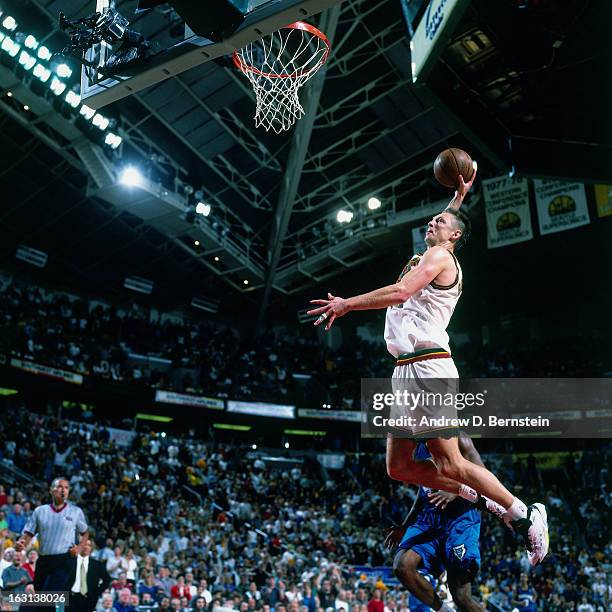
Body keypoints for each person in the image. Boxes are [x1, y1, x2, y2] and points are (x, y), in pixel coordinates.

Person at [307, 168, 549, 565]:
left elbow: (401, 291)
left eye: (441, 221)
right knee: (399, 466)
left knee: (451, 462)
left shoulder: (440, 256)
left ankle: (523, 515)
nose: (433, 221)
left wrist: (346, 303)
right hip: (406, 369)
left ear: (453, 236)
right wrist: (458, 197)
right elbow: (448, 224)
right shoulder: (431, 252)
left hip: (429, 368)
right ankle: (473, 492)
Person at [386, 437, 487, 612]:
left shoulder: (460, 440)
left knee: (462, 598)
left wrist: (456, 491)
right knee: (402, 566)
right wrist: (405, 525)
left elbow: (485, 481)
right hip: (430, 518)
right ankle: (443, 610)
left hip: (460, 520)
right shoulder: (416, 446)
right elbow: (423, 489)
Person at [16, 477, 89, 592]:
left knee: (49, 595)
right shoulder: (40, 511)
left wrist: (79, 548)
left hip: (64, 560)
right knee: (40, 597)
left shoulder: (76, 511)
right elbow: (28, 533)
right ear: (51, 490)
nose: (63, 490)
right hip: (44, 560)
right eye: (59, 487)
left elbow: (85, 533)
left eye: (66, 488)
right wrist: (21, 543)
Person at [67, 540, 112, 612]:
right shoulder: (70, 561)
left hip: (87, 600)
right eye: (84, 544)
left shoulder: (97, 565)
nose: (86, 547)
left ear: (91, 548)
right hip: (69, 597)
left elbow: (107, 579)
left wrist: (96, 593)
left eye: (89, 545)